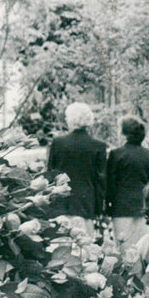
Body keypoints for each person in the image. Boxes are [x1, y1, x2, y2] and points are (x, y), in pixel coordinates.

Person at [47, 102, 107, 241]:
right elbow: (101, 180)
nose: (66, 120)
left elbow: (50, 173)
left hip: (61, 202)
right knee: (84, 247)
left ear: (72, 119)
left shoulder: (58, 143)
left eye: (67, 117)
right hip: (86, 203)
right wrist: (99, 210)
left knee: (61, 246)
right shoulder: (98, 146)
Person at [106, 115, 149, 249]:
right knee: (142, 248)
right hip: (143, 206)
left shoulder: (116, 154)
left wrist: (108, 206)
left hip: (121, 207)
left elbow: (110, 184)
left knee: (123, 248)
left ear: (124, 133)